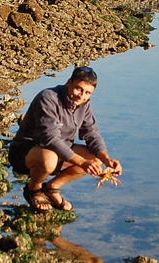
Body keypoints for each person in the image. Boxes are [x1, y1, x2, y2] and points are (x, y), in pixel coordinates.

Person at [9, 66, 122, 212]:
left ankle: (52, 188)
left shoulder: (83, 104)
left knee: (96, 158)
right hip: (26, 152)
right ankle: (34, 189)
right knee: (50, 159)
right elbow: (50, 139)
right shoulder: (48, 98)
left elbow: (91, 133)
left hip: (60, 151)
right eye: (79, 89)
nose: (81, 95)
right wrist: (82, 162)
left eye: (87, 93)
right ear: (69, 82)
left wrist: (107, 159)